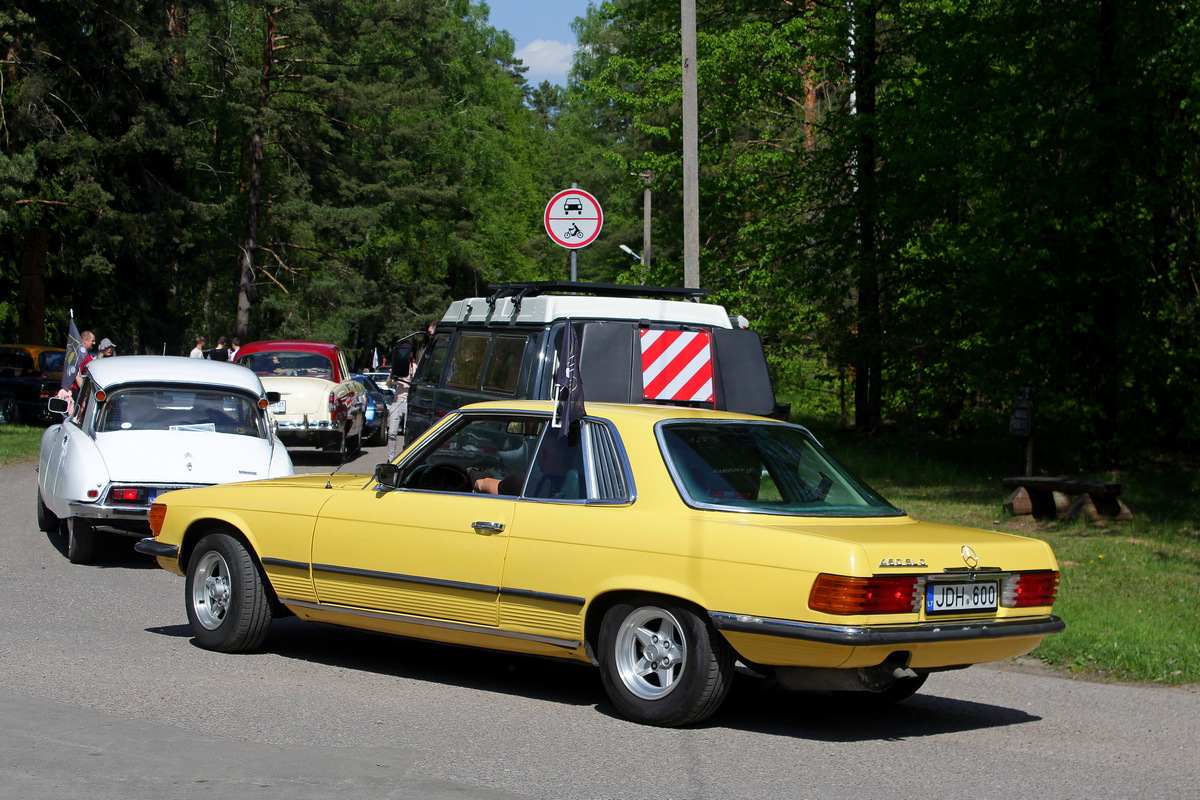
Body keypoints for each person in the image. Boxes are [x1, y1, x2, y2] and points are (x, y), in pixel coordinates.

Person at [385, 336, 416, 460]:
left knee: (407, 433)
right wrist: (392, 374)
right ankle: (390, 458)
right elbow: (389, 384)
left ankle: (406, 458)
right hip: (397, 401)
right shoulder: (397, 367)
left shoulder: (415, 368)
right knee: (392, 432)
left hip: (409, 402)